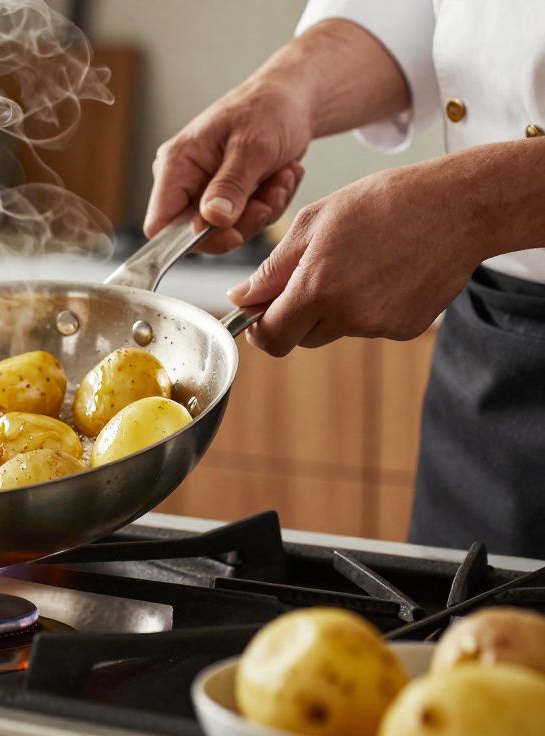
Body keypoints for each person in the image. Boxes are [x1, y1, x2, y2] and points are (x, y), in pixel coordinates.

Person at [145, 1, 545, 557]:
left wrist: (474, 208)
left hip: (483, 276)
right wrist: (289, 87)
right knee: (455, 634)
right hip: (490, 348)